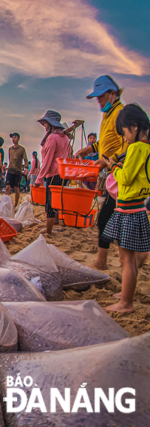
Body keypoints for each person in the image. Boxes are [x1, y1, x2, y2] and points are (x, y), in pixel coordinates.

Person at [101, 104, 150, 313]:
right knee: (130, 258)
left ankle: (126, 303)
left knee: (126, 259)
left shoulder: (137, 148)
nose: (125, 139)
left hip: (128, 210)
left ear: (135, 127)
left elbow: (127, 178)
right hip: (138, 208)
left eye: (126, 133)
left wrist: (113, 167)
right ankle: (126, 292)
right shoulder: (146, 149)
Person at [82, 75, 127, 270]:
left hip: (122, 175)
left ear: (113, 93)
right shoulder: (108, 115)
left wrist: (109, 162)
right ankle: (105, 261)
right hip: (112, 175)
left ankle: (102, 262)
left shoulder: (122, 113)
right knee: (111, 218)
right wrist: (89, 149)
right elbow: (106, 141)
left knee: (108, 218)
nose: (98, 100)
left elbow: (129, 145)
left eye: (101, 96)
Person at [34, 110, 71, 235]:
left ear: (50, 124)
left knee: (50, 204)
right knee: (57, 201)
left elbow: (48, 160)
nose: (44, 127)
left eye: (45, 124)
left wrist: (39, 179)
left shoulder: (52, 138)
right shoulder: (65, 137)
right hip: (63, 173)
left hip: (53, 173)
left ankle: (49, 231)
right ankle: (54, 224)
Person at [5, 133, 29, 207]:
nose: (13, 139)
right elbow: (10, 159)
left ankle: (15, 204)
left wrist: (26, 168)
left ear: (18, 138)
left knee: (16, 188)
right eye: (12, 137)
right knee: (7, 187)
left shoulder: (22, 149)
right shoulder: (10, 149)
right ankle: (5, 203)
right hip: (10, 170)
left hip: (17, 171)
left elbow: (25, 159)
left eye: (15, 137)